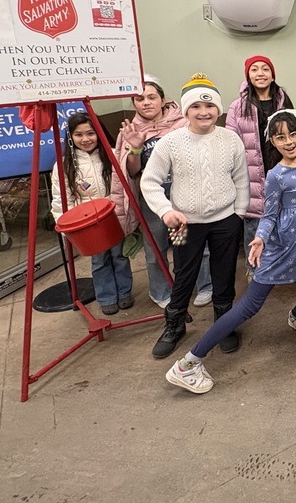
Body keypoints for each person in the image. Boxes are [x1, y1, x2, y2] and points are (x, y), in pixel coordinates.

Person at [164, 109, 296, 394]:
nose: (288, 141)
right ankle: (188, 363)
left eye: (293, 134)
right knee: (247, 309)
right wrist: (261, 238)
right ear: (272, 142)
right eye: (280, 137)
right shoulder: (277, 176)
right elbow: (269, 215)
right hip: (278, 251)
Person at [141, 74, 249, 360]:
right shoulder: (171, 142)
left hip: (226, 220)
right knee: (185, 274)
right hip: (183, 223)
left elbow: (241, 180)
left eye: (210, 106)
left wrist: (239, 213)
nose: (204, 112)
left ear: (218, 109)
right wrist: (166, 210)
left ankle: (224, 325)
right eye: (197, 107)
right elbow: (149, 181)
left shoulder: (231, 140)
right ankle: (174, 325)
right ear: (186, 110)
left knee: (224, 274)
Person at [116, 77, 212, 309]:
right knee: (155, 246)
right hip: (152, 198)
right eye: (140, 99)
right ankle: (161, 290)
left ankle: (204, 285)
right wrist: (136, 147)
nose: (146, 103)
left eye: (151, 97)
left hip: (185, 193)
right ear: (134, 103)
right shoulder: (130, 130)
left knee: (191, 241)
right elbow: (132, 170)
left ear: (163, 100)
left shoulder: (183, 123)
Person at [51, 113, 137, 316]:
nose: (86, 139)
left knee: (120, 256)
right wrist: (66, 227)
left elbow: (126, 186)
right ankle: (106, 296)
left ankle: (124, 292)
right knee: (99, 261)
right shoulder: (64, 165)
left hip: (114, 218)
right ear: (71, 137)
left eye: (90, 133)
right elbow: (60, 199)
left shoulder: (112, 154)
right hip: (87, 225)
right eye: (78, 134)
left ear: (99, 133)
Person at [224, 55, 294, 268]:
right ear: (248, 75)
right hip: (250, 176)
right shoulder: (237, 107)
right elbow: (230, 143)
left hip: (280, 172)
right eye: (255, 69)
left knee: (281, 225)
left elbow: (294, 134)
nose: (260, 73)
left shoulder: (283, 101)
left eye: (265, 69)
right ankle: (254, 271)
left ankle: (280, 269)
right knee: (254, 227)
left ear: (273, 75)